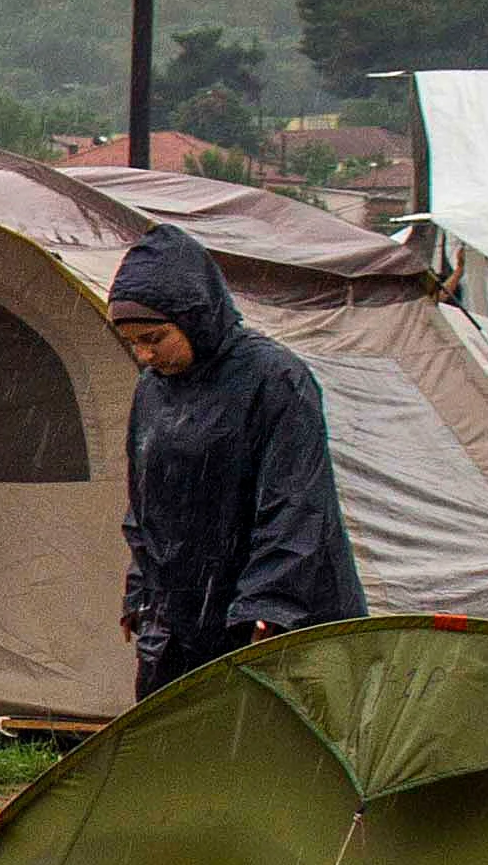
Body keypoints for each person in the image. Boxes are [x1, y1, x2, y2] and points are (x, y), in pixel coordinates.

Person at [110, 227, 360, 696]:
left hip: (278, 606)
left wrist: (271, 603)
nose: (144, 355)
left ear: (194, 317)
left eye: (155, 338)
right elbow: (147, 506)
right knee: (174, 742)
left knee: (270, 747)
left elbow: (297, 504)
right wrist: (141, 590)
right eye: (133, 343)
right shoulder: (152, 391)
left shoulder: (274, 378)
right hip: (184, 608)